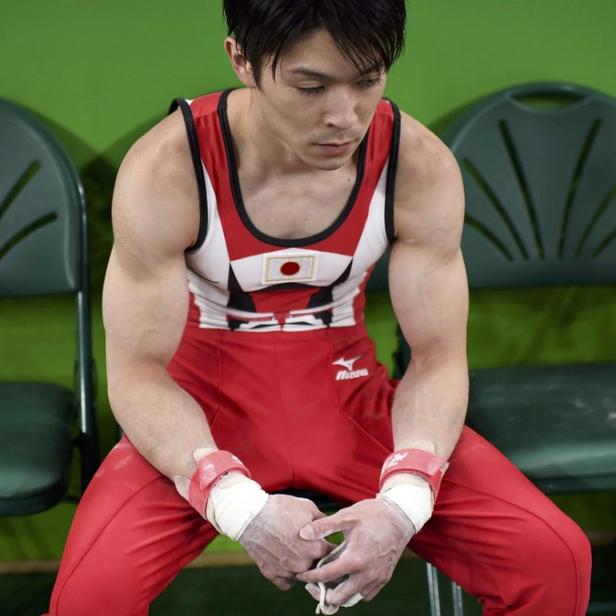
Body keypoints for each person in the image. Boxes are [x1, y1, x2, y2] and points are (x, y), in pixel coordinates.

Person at [46, 1, 591, 614]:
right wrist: (237, 504)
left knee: (553, 558)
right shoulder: (168, 170)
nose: (345, 117)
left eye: (368, 80)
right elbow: (138, 375)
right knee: (91, 598)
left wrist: (404, 502)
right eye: (311, 86)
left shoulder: (416, 164)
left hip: (351, 402)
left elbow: (437, 359)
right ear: (242, 59)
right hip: (198, 416)